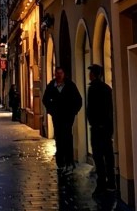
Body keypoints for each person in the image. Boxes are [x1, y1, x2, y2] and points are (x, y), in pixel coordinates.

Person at [42, 67, 82, 174]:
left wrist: (73, 111)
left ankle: (69, 162)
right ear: (55, 74)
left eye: (60, 73)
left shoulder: (70, 86)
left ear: (64, 74)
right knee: (59, 138)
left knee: (67, 138)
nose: (59, 75)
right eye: (57, 73)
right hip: (57, 117)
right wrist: (51, 110)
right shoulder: (51, 86)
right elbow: (45, 99)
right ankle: (60, 163)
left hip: (68, 117)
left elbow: (78, 100)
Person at [86, 64, 116, 193]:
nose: (89, 75)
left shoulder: (93, 89)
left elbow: (91, 109)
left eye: (91, 73)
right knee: (108, 155)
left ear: (94, 74)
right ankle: (111, 182)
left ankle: (102, 183)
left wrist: (92, 121)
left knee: (98, 156)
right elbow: (110, 109)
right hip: (107, 127)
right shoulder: (107, 88)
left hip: (97, 127)